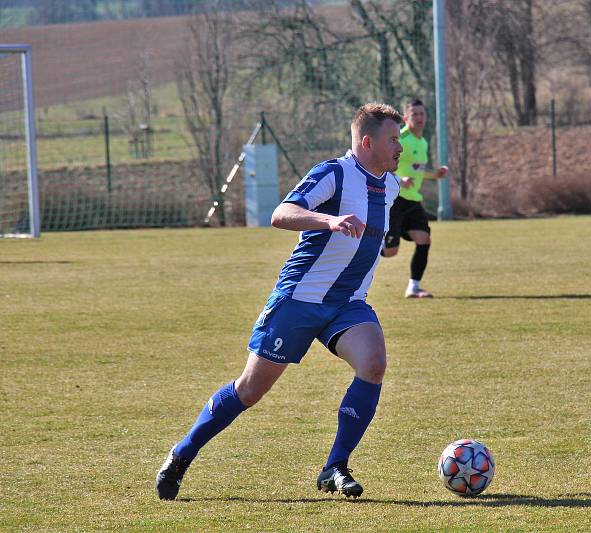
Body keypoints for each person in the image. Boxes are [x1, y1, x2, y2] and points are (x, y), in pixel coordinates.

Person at [155, 103, 404, 500]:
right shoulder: (334, 173)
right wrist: (329, 220)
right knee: (249, 390)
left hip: (347, 303)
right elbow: (281, 212)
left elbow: (373, 232)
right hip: (300, 299)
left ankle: (334, 466)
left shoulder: (390, 185)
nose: (400, 147)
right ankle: (182, 454)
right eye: (394, 139)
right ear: (367, 141)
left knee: (373, 364)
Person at [381, 99, 448, 298]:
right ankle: (365, 245)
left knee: (424, 239)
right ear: (405, 118)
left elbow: (416, 169)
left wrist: (434, 175)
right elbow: (381, 167)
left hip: (412, 200)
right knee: (391, 252)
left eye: (422, 114)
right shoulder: (398, 139)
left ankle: (413, 287)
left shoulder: (422, 142)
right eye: (414, 114)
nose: (419, 118)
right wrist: (399, 180)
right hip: (395, 200)